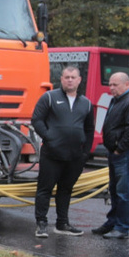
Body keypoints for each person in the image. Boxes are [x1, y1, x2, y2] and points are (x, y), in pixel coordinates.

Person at [32, 65, 95, 238]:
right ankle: (41, 224)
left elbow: (90, 129)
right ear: (61, 79)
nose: (70, 80)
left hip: (74, 157)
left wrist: (85, 153)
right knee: (44, 189)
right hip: (52, 154)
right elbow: (37, 120)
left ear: (79, 80)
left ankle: (62, 224)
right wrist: (49, 137)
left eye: (73, 77)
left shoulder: (86, 104)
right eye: (66, 77)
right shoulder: (49, 98)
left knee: (66, 190)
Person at [94, 71, 129, 240]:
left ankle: (122, 228)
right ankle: (112, 223)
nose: (111, 88)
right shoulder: (116, 100)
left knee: (123, 191)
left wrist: (119, 149)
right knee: (115, 190)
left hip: (125, 152)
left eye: (115, 85)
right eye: (110, 84)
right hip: (116, 152)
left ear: (126, 84)